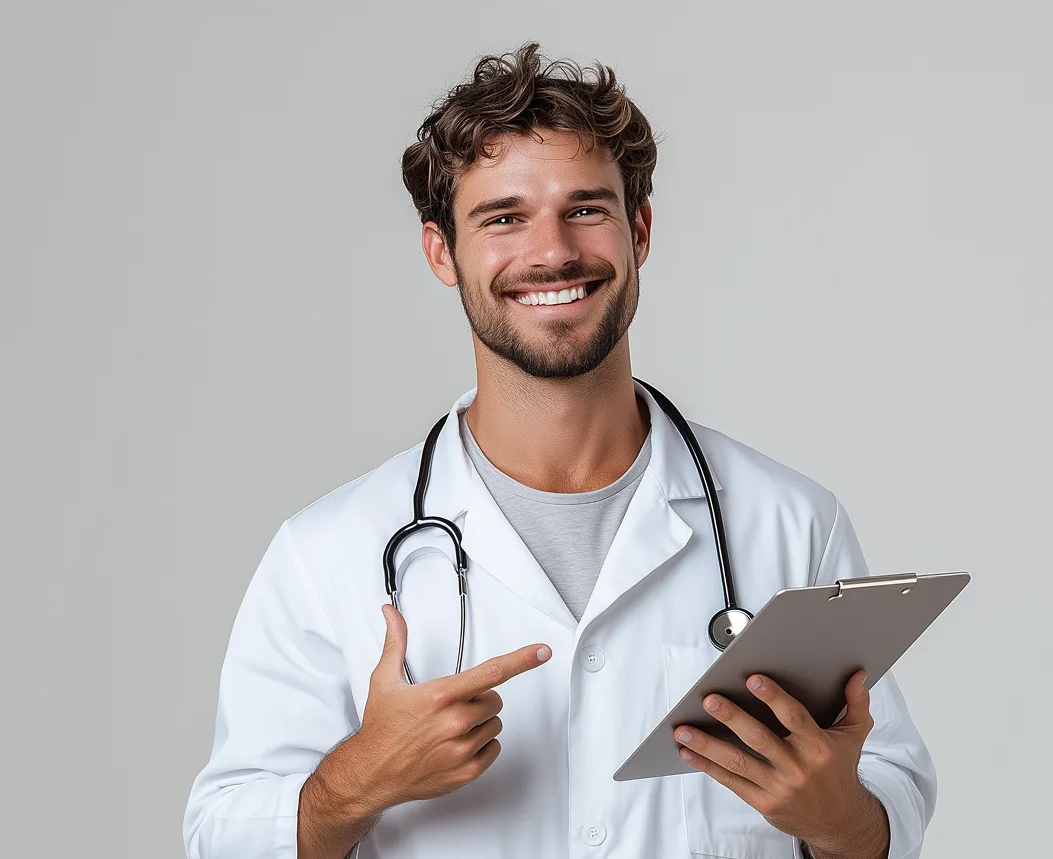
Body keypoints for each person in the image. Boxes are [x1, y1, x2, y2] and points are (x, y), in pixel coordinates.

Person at [183, 42, 936, 859]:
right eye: (503, 217)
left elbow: (888, 790)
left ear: (638, 230)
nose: (552, 252)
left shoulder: (789, 521)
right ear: (442, 252)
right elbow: (219, 836)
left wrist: (841, 821)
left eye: (586, 209)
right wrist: (359, 780)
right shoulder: (326, 553)